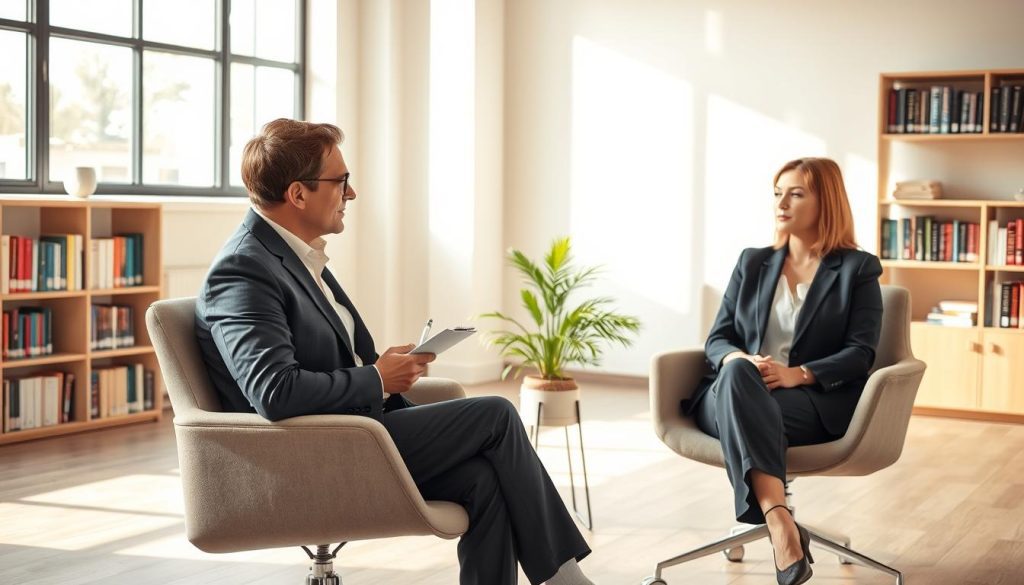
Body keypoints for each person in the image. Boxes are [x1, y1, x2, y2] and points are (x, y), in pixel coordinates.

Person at [194, 118, 594, 585]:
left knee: (485, 479)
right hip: (306, 457)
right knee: (497, 416)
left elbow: (307, 361)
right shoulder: (244, 269)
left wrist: (381, 366)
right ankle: (565, 580)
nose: (352, 193)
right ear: (298, 194)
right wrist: (377, 379)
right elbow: (273, 391)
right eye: (340, 181)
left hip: (350, 432)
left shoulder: (294, 257)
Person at [685, 157, 882, 585]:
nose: (782, 202)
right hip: (731, 396)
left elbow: (861, 353)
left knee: (750, 396)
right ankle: (780, 522)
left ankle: (779, 527)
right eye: (778, 193)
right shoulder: (752, 262)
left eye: (796, 193)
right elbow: (717, 339)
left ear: (825, 201)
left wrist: (801, 373)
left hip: (806, 400)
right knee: (738, 374)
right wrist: (739, 360)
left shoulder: (857, 269)